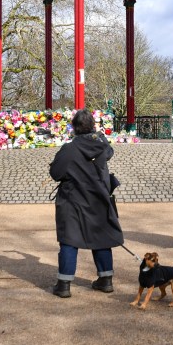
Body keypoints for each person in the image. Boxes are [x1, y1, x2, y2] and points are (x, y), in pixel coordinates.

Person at [49, 109, 124, 298]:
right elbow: (108, 152)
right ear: (92, 126)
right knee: (102, 238)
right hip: (98, 197)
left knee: (69, 239)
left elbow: (56, 173)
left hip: (72, 199)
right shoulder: (101, 147)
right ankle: (106, 280)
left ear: (74, 128)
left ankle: (64, 284)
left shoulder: (70, 149)